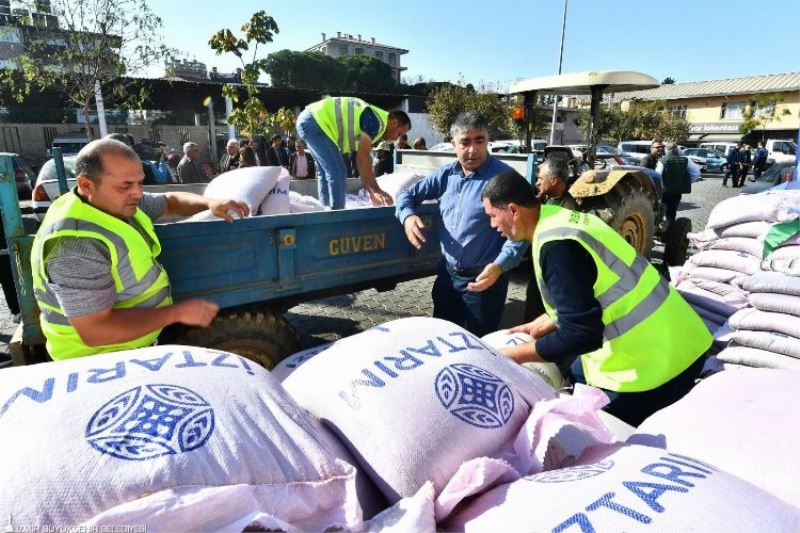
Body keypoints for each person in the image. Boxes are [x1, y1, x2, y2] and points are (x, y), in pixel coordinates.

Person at [481, 169, 712, 426]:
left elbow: (581, 335)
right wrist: (541, 323)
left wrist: (512, 356)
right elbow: (593, 289)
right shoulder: (558, 219)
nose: (492, 225)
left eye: (492, 216)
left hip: (656, 367)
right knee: (578, 373)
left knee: (597, 433)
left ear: (513, 210)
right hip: (680, 336)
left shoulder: (556, 248)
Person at [30, 138, 250, 360]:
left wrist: (209, 203)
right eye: (126, 185)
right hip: (99, 359)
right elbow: (95, 330)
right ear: (86, 185)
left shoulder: (112, 201)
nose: (137, 193)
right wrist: (177, 313)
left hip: (130, 347)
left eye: (140, 183)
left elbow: (170, 201)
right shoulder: (76, 245)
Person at [396, 111, 528, 337]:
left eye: (480, 141)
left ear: (488, 141)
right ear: (453, 144)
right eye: (465, 142)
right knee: (445, 339)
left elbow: (521, 232)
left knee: (481, 344)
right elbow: (406, 195)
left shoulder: (505, 180)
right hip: (448, 276)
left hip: (484, 281)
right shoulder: (446, 175)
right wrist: (407, 217)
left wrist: (500, 266)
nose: (473, 150)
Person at [296, 96, 411, 209]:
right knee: (338, 171)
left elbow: (367, 162)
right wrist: (376, 190)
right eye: (399, 134)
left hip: (311, 120)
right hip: (315, 122)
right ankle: (337, 216)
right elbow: (362, 159)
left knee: (326, 172)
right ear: (395, 123)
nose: (397, 138)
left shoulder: (376, 126)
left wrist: (371, 191)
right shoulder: (376, 122)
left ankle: (324, 210)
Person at [525, 157, 578, 322]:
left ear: (554, 180)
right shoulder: (548, 199)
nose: (537, 183)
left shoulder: (567, 208)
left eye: (540, 178)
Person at [656, 143, 698, 229]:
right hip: (677, 191)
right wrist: (686, 182)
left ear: (666, 150)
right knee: (672, 211)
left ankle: (662, 229)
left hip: (664, 191)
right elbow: (696, 174)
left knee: (662, 211)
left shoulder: (662, 160)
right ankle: (670, 231)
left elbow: (657, 175)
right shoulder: (686, 160)